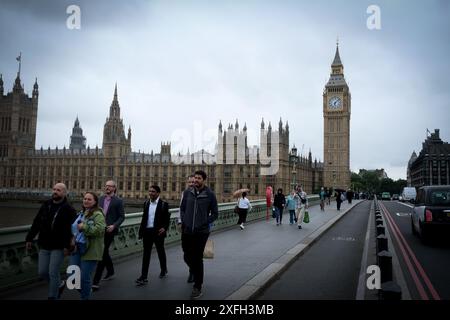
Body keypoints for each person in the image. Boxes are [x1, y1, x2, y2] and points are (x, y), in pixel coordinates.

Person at [25, 183, 77, 300]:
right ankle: (59, 284)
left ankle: (52, 296)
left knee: (53, 272)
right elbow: (37, 222)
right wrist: (29, 238)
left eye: (58, 190)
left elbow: (72, 230)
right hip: (44, 244)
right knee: (43, 272)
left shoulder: (69, 209)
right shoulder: (46, 205)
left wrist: (67, 246)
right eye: (54, 189)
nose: (55, 191)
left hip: (59, 246)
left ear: (64, 193)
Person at [180, 170, 218, 299]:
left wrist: (204, 222)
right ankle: (195, 272)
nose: (196, 180)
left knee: (197, 258)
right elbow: (182, 208)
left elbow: (215, 214)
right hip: (187, 230)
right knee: (186, 255)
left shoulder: (210, 195)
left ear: (204, 180)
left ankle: (198, 286)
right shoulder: (187, 193)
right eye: (195, 178)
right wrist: (184, 221)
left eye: (199, 178)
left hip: (201, 232)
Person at [69, 192, 106, 300]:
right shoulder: (82, 213)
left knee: (85, 277)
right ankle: (87, 291)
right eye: (85, 198)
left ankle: (85, 297)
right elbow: (75, 230)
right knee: (72, 277)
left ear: (95, 202)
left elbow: (100, 230)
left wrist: (84, 227)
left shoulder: (98, 214)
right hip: (77, 247)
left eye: (89, 199)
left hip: (90, 248)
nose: (86, 201)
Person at [92, 180, 125, 291]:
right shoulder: (100, 199)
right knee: (104, 252)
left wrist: (114, 226)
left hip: (110, 230)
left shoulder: (118, 201)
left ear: (114, 188)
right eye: (106, 186)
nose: (107, 188)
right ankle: (110, 271)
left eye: (109, 186)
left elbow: (121, 217)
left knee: (102, 253)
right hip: (99, 229)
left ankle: (95, 281)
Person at [135, 185, 170, 286]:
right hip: (147, 232)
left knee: (160, 251)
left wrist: (164, 228)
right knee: (146, 254)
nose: (151, 193)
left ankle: (163, 269)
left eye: (153, 191)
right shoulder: (146, 203)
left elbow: (167, 219)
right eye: (149, 191)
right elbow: (144, 218)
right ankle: (144, 276)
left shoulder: (163, 204)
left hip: (158, 232)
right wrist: (141, 232)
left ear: (158, 193)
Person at [177, 175, 195, 283]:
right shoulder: (185, 193)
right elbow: (181, 208)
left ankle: (193, 273)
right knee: (186, 252)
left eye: (193, 182)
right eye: (190, 182)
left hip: (198, 228)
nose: (192, 184)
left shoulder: (204, 193)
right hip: (186, 226)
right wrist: (180, 221)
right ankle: (192, 268)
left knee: (196, 252)